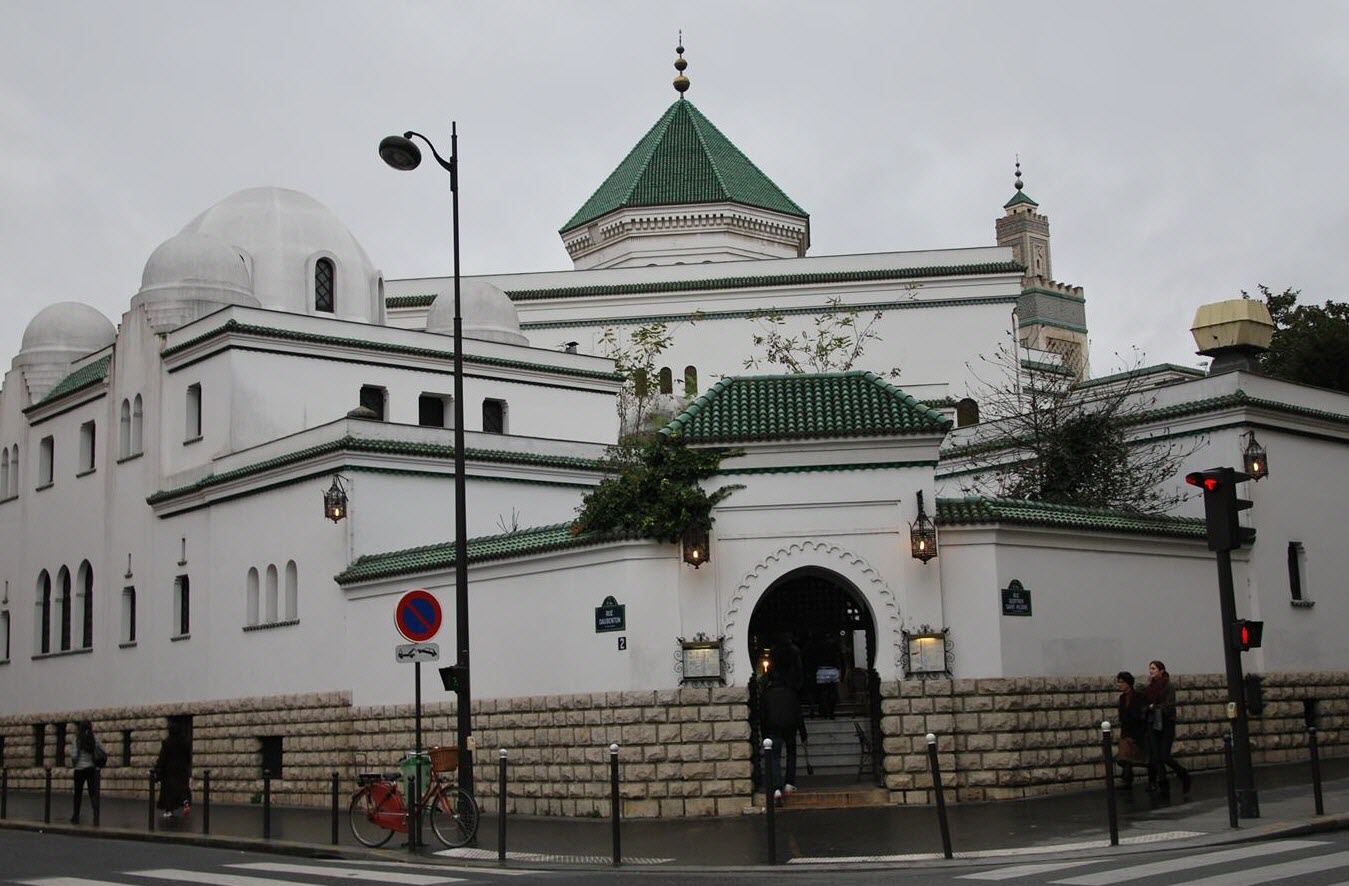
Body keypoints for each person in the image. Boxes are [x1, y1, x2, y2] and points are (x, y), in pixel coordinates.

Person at [1143, 659, 1191, 798]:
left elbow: (1170, 705)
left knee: (1164, 755)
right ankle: (1163, 784)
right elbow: (1145, 704)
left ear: (1161, 670)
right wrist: (1149, 708)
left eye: (1153, 668)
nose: (1151, 671)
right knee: (1156, 756)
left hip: (1166, 723)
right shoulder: (1149, 688)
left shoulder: (1168, 686)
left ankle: (1183, 774)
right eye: (1150, 668)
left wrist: (1154, 707)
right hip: (1153, 723)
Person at [759, 658, 802, 804]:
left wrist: (763, 733)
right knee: (791, 754)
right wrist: (802, 732)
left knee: (774, 757)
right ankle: (789, 783)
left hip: (773, 728)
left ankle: (777, 788)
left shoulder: (766, 694)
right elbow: (798, 713)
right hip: (789, 727)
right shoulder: (791, 693)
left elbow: (763, 715)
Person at [1114, 671, 1148, 789]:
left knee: (1132, 758)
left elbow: (1141, 713)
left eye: (1122, 682)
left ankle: (1127, 780)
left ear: (1128, 683)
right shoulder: (1122, 698)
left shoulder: (1138, 696)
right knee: (1123, 757)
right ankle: (1127, 779)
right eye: (1118, 682)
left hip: (1137, 731)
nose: (1119, 684)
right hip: (1126, 731)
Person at [68, 720, 105, 824]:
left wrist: (76, 761)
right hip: (91, 768)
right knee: (92, 793)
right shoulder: (94, 739)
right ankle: (95, 815)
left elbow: (74, 756)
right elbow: (103, 751)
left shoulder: (77, 740)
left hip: (79, 770)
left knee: (78, 794)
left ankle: (76, 816)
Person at [155, 721, 192, 819]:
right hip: (182, 770)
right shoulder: (185, 742)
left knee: (169, 792)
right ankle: (185, 802)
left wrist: (158, 768)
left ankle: (169, 811)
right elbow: (188, 757)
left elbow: (162, 757)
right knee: (183, 789)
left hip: (170, 771)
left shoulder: (167, 742)